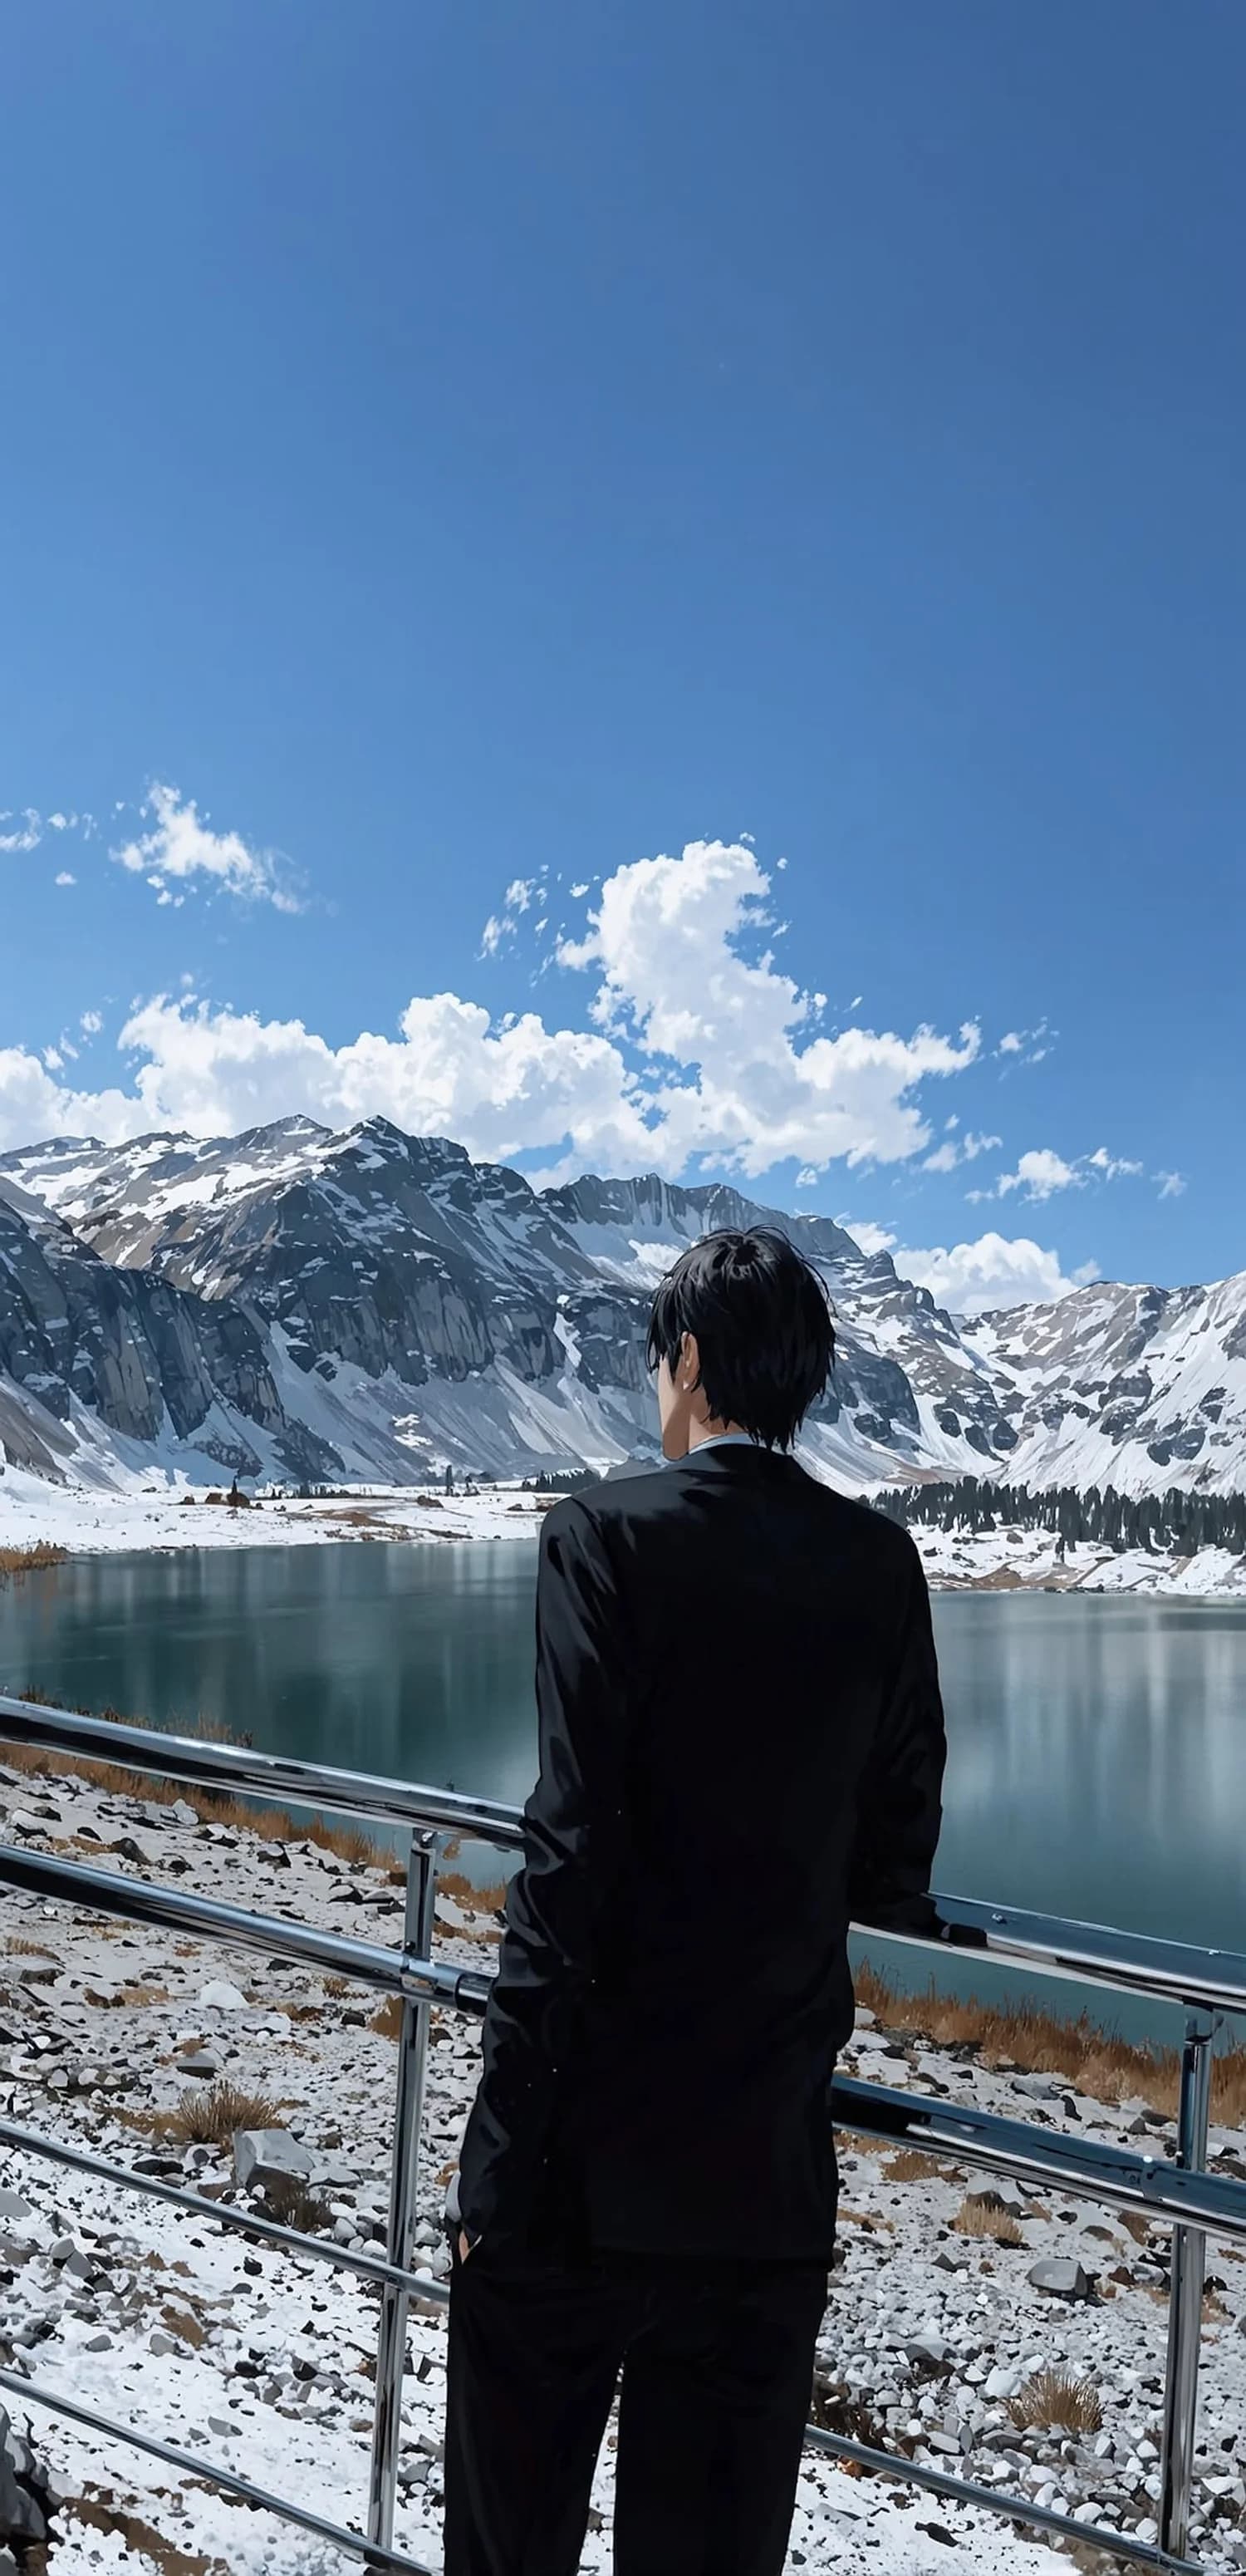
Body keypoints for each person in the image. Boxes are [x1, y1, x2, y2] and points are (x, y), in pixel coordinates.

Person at [444, 1227, 968, 2576]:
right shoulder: (880, 1562)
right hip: (762, 2173)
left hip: (577, 2167)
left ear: (684, 1358)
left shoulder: (603, 1535)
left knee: (513, 2544)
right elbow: (898, 1853)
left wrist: (499, 2146)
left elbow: (571, 1849)